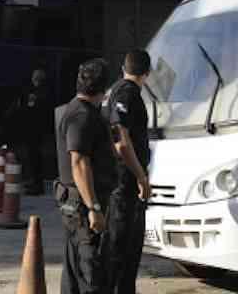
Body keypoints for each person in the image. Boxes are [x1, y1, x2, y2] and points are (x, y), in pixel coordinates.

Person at [55, 58, 116, 294]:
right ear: (104, 88)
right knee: (90, 270)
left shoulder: (77, 110)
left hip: (77, 202)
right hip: (82, 205)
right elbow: (79, 163)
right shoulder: (82, 116)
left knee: (74, 270)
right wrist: (94, 208)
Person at [103, 50, 153, 294]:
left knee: (120, 249)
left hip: (118, 181)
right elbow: (121, 141)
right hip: (125, 183)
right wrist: (141, 177)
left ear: (123, 68)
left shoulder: (114, 91)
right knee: (124, 250)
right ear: (148, 73)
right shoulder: (128, 93)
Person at [16, 67, 51, 195]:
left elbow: (44, 108)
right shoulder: (28, 89)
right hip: (28, 126)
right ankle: (32, 180)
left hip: (38, 128)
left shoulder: (44, 91)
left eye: (38, 76)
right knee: (30, 155)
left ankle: (37, 185)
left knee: (35, 156)